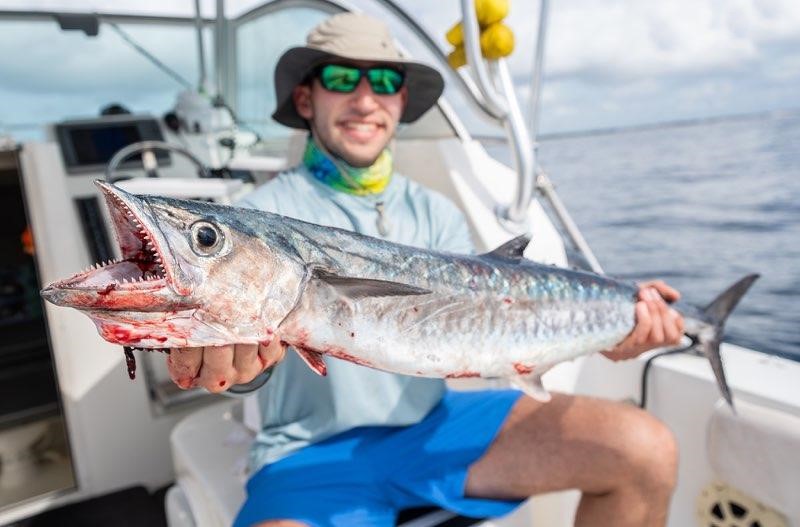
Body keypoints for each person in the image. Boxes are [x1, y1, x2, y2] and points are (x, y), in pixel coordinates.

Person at [167, 13, 685, 527]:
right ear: (307, 99)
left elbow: (485, 326)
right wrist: (232, 370)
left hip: (435, 426)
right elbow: (240, 362)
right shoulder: (253, 222)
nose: (365, 99)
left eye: (385, 81)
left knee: (645, 449)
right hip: (311, 450)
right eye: (342, 78)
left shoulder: (437, 212)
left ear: (400, 102)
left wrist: (610, 327)